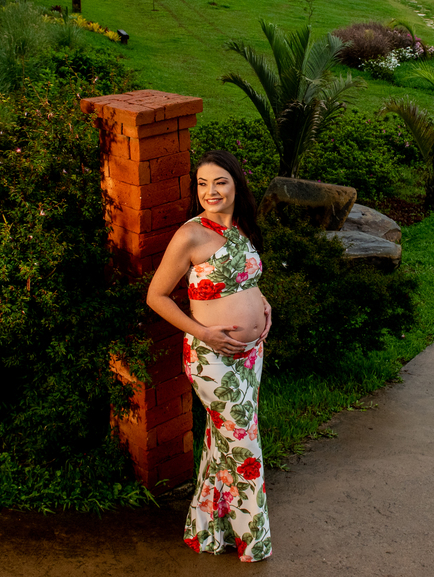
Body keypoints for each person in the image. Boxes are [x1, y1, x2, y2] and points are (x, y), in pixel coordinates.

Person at [146, 150, 273, 562]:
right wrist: (203, 332)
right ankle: (254, 539)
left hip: (251, 353)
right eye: (202, 184)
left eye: (219, 182)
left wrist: (262, 303)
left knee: (222, 442)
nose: (210, 191)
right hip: (211, 358)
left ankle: (205, 531)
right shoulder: (190, 235)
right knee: (244, 443)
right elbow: (156, 296)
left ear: (236, 184)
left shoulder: (240, 228)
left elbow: (243, 279)